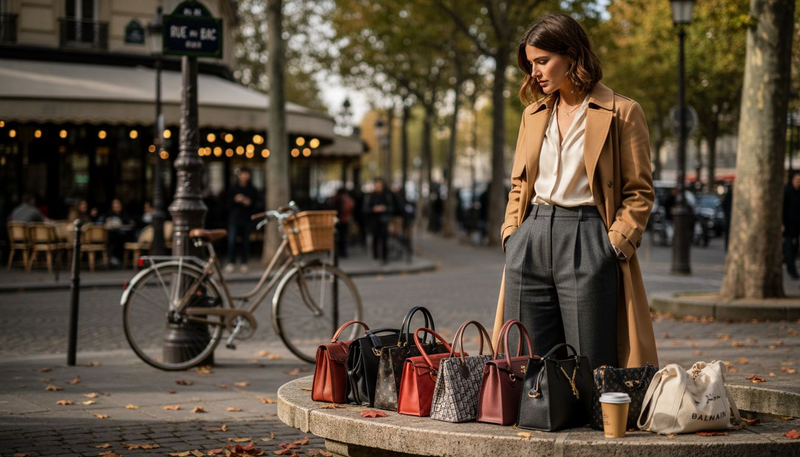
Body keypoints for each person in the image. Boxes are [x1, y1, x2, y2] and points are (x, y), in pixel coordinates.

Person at [494, 13, 658, 370]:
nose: (535, 72)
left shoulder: (622, 112)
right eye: (531, 64)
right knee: (526, 359)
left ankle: (591, 422)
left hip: (587, 237)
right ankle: (535, 422)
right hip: (531, 236)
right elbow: (520, 183)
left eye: (542, 61)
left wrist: (614, 243)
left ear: (570, 55)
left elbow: (640, 191)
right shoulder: (533, 115)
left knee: (590, 358)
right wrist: (511, 235)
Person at [226, 167, 259, 274]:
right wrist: (235, 200)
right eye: (242, 174)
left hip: (246, 218)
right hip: (234, 218)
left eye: (246, 174)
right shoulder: (233, 188)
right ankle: (231, 262)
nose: (244, 176)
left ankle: (244, 263)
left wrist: (248, 202)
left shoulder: (251, 189)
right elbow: (226, 203)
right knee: (232, 241)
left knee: (245, 242)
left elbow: (257, 204)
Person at [363, 178, 394, 264]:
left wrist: (384, 208)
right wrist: (374, 209)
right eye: (377, 186)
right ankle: (375, 255)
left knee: (384, 239)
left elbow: (392, 207)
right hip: (374, 221)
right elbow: (365, 209)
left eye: (380, 186)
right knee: (375, 238)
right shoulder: (370, 196)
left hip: (384, 220)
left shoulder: (387, 196)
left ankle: (384, 257)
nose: (378, 188)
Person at [100, 199, 134, 267]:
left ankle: (119, 259)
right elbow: (104, 222)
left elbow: (129, 224)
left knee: (119, 239)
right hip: (111, 235)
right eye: (115, 206)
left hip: (123, 236)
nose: (116, 207)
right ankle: (111, 258)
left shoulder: (125, 214)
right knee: (110, 238)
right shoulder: (108, 214)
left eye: (118, 205)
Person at [783, 172, 800, 279]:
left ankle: (791, 266)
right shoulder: (787, 191)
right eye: (797, 180)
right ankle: (791, 270)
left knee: (795, 249)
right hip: (788, 225)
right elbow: (783, 208)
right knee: (789, 248)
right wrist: (782, 223)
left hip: (798, 225)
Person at [331, 187, 355, 258]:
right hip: (344, 219)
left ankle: (339, 252)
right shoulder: (346, 198)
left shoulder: (337, 198)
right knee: (343, 236)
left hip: (339, 219)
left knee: (338, 236)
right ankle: (343, 252)